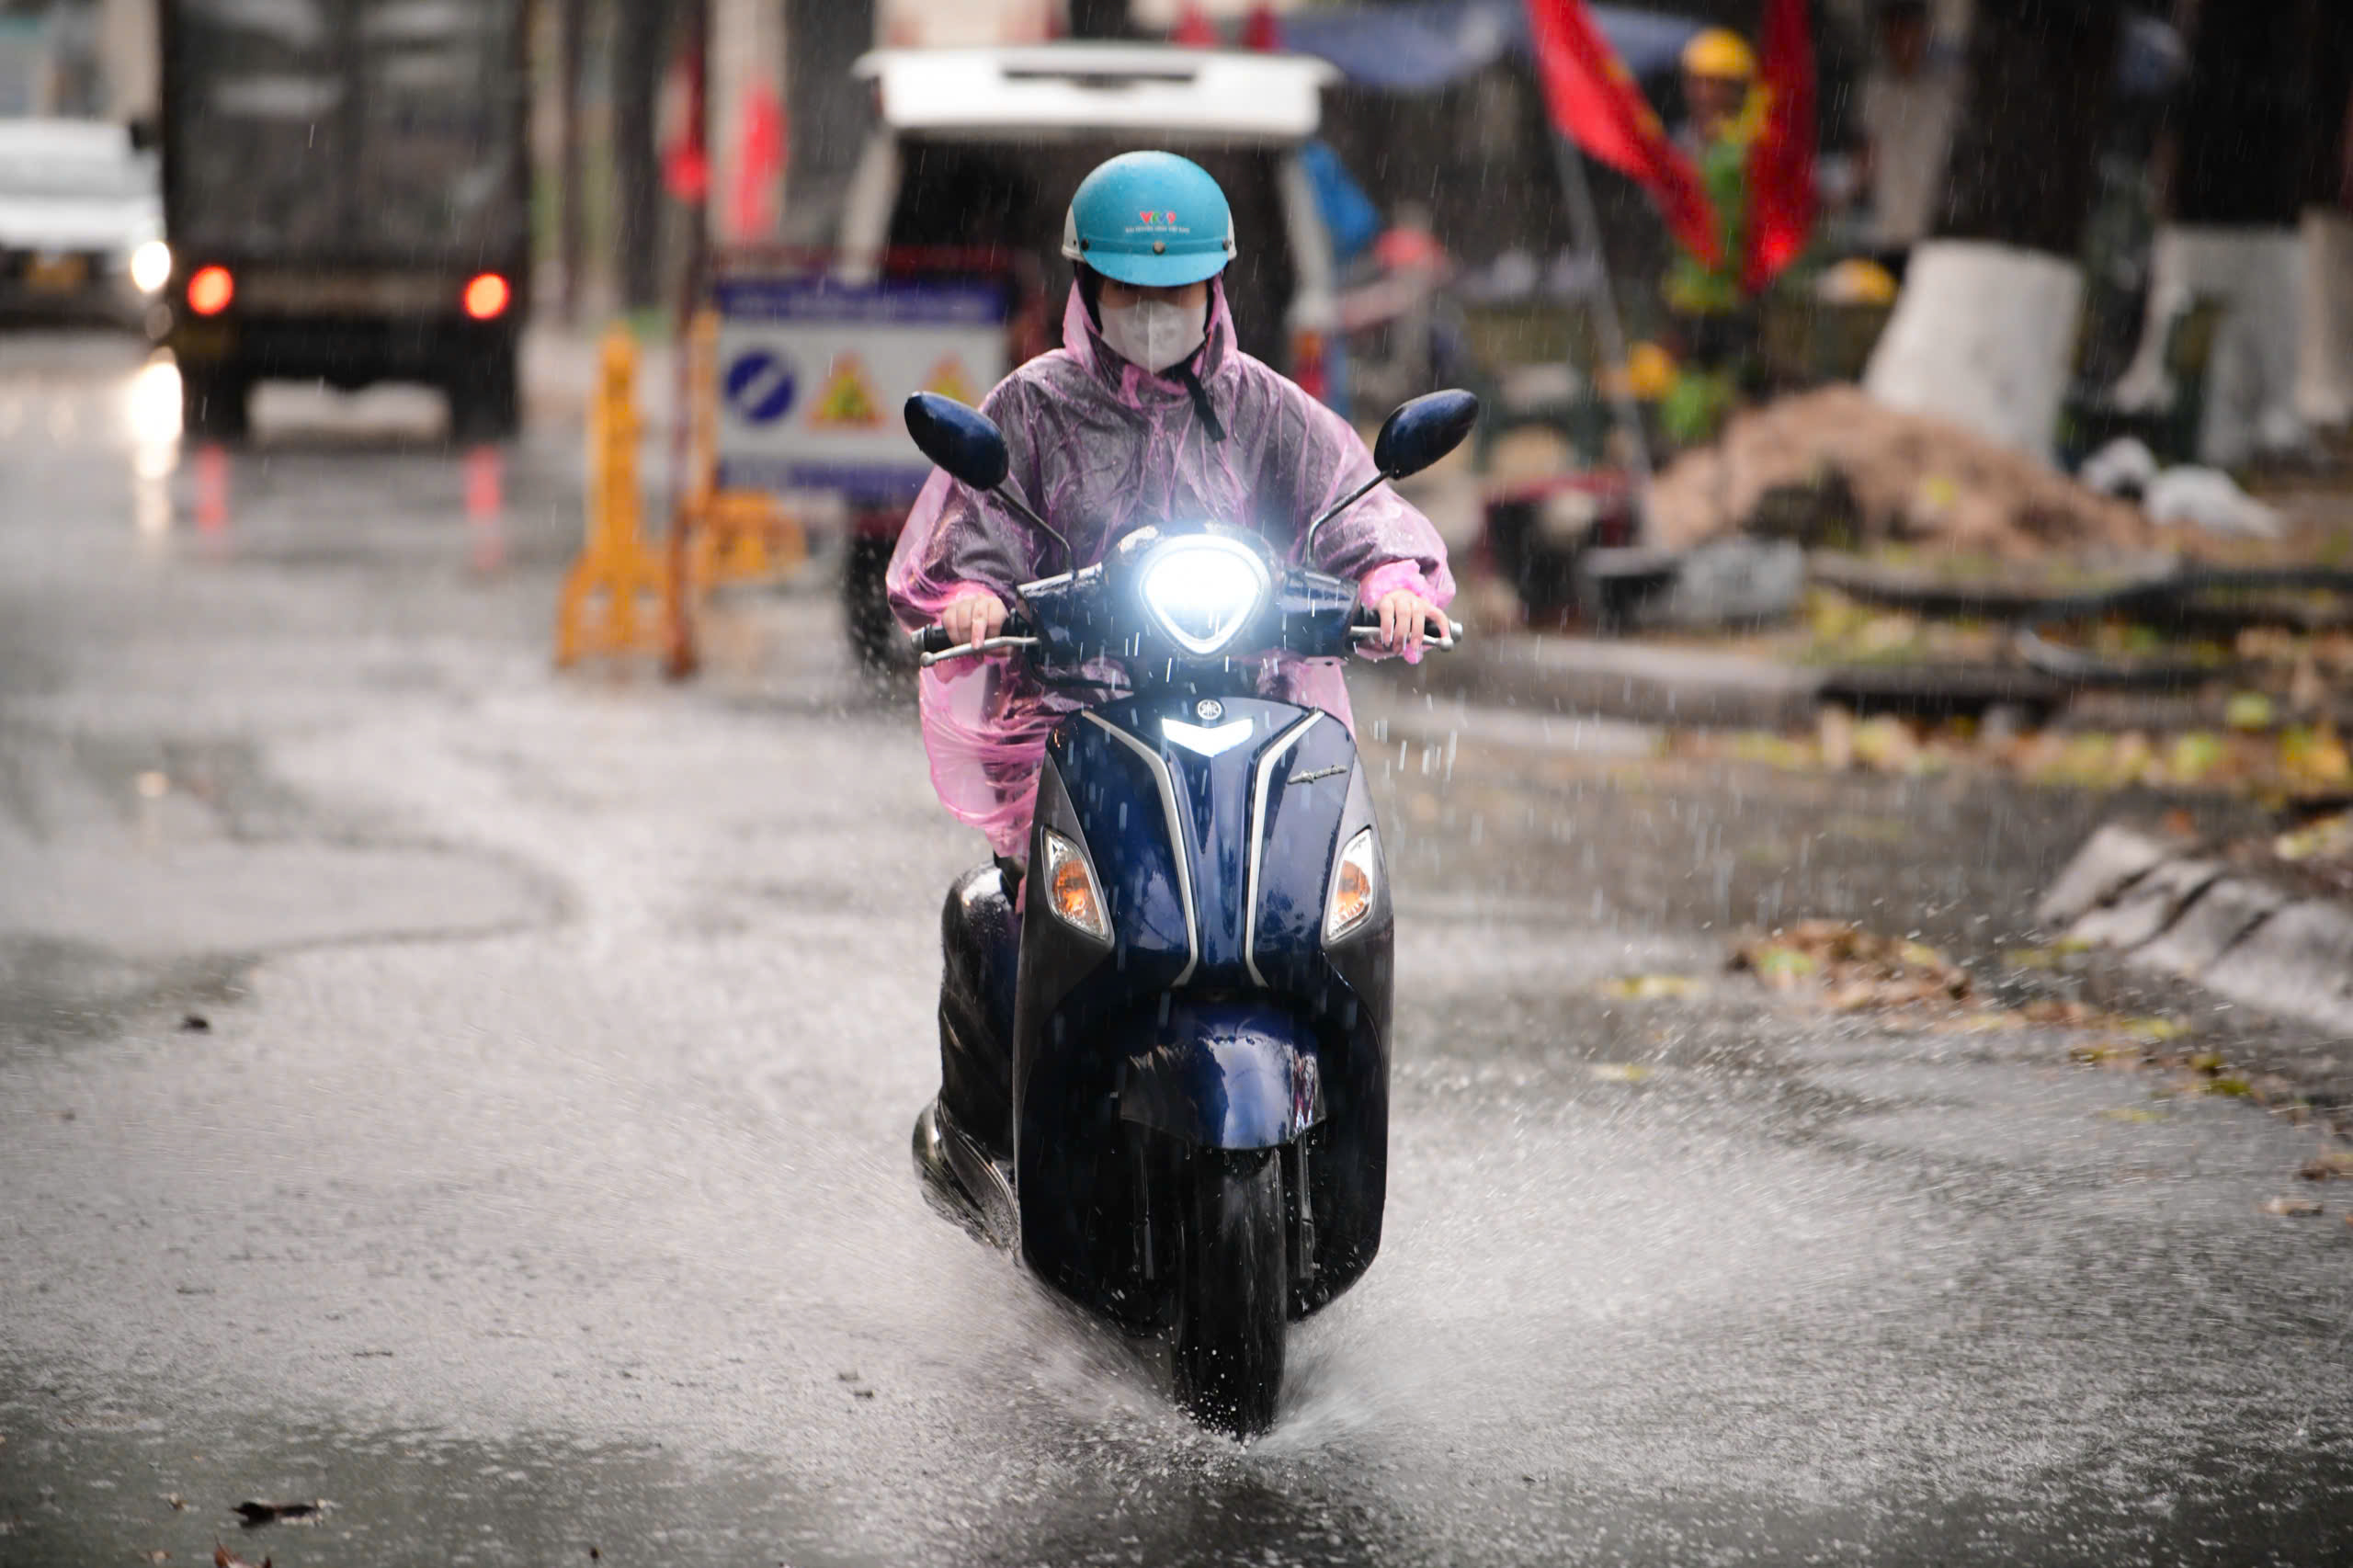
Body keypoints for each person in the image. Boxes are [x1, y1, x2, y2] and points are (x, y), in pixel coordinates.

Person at [886, 150, 1454, 1162]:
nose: (1154, 312)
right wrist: (973, 596)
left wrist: (1392, 582)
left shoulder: (1265, 406)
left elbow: (1354, 508)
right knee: (1003, 920)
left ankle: (1342, 1130)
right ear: (1087, 287)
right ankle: (1009, 1140)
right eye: (1131, 292)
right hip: (1076, 719)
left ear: (1215, 288)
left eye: (1176, 292)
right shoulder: (1033, 406)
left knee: (1334, 911)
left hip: (1256, 709)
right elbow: (974, 533)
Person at [1661, 27, 1761, 445]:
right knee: (1684, 400)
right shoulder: (1679, 145)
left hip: (1738, 297)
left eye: (1717, 84)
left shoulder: (1752, 147)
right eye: (1698, 82)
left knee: (1735, 400)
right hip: (1687, 297)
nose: (1705, 94)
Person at [1855, 0, 1961, 282]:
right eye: (1895, 33)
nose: (1903, 42)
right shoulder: (1874, 91)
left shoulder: (1946, 92)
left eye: (1909, 32)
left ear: (1923, 33)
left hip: (1932, 234)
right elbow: (1866, 157)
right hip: (1885, 233)